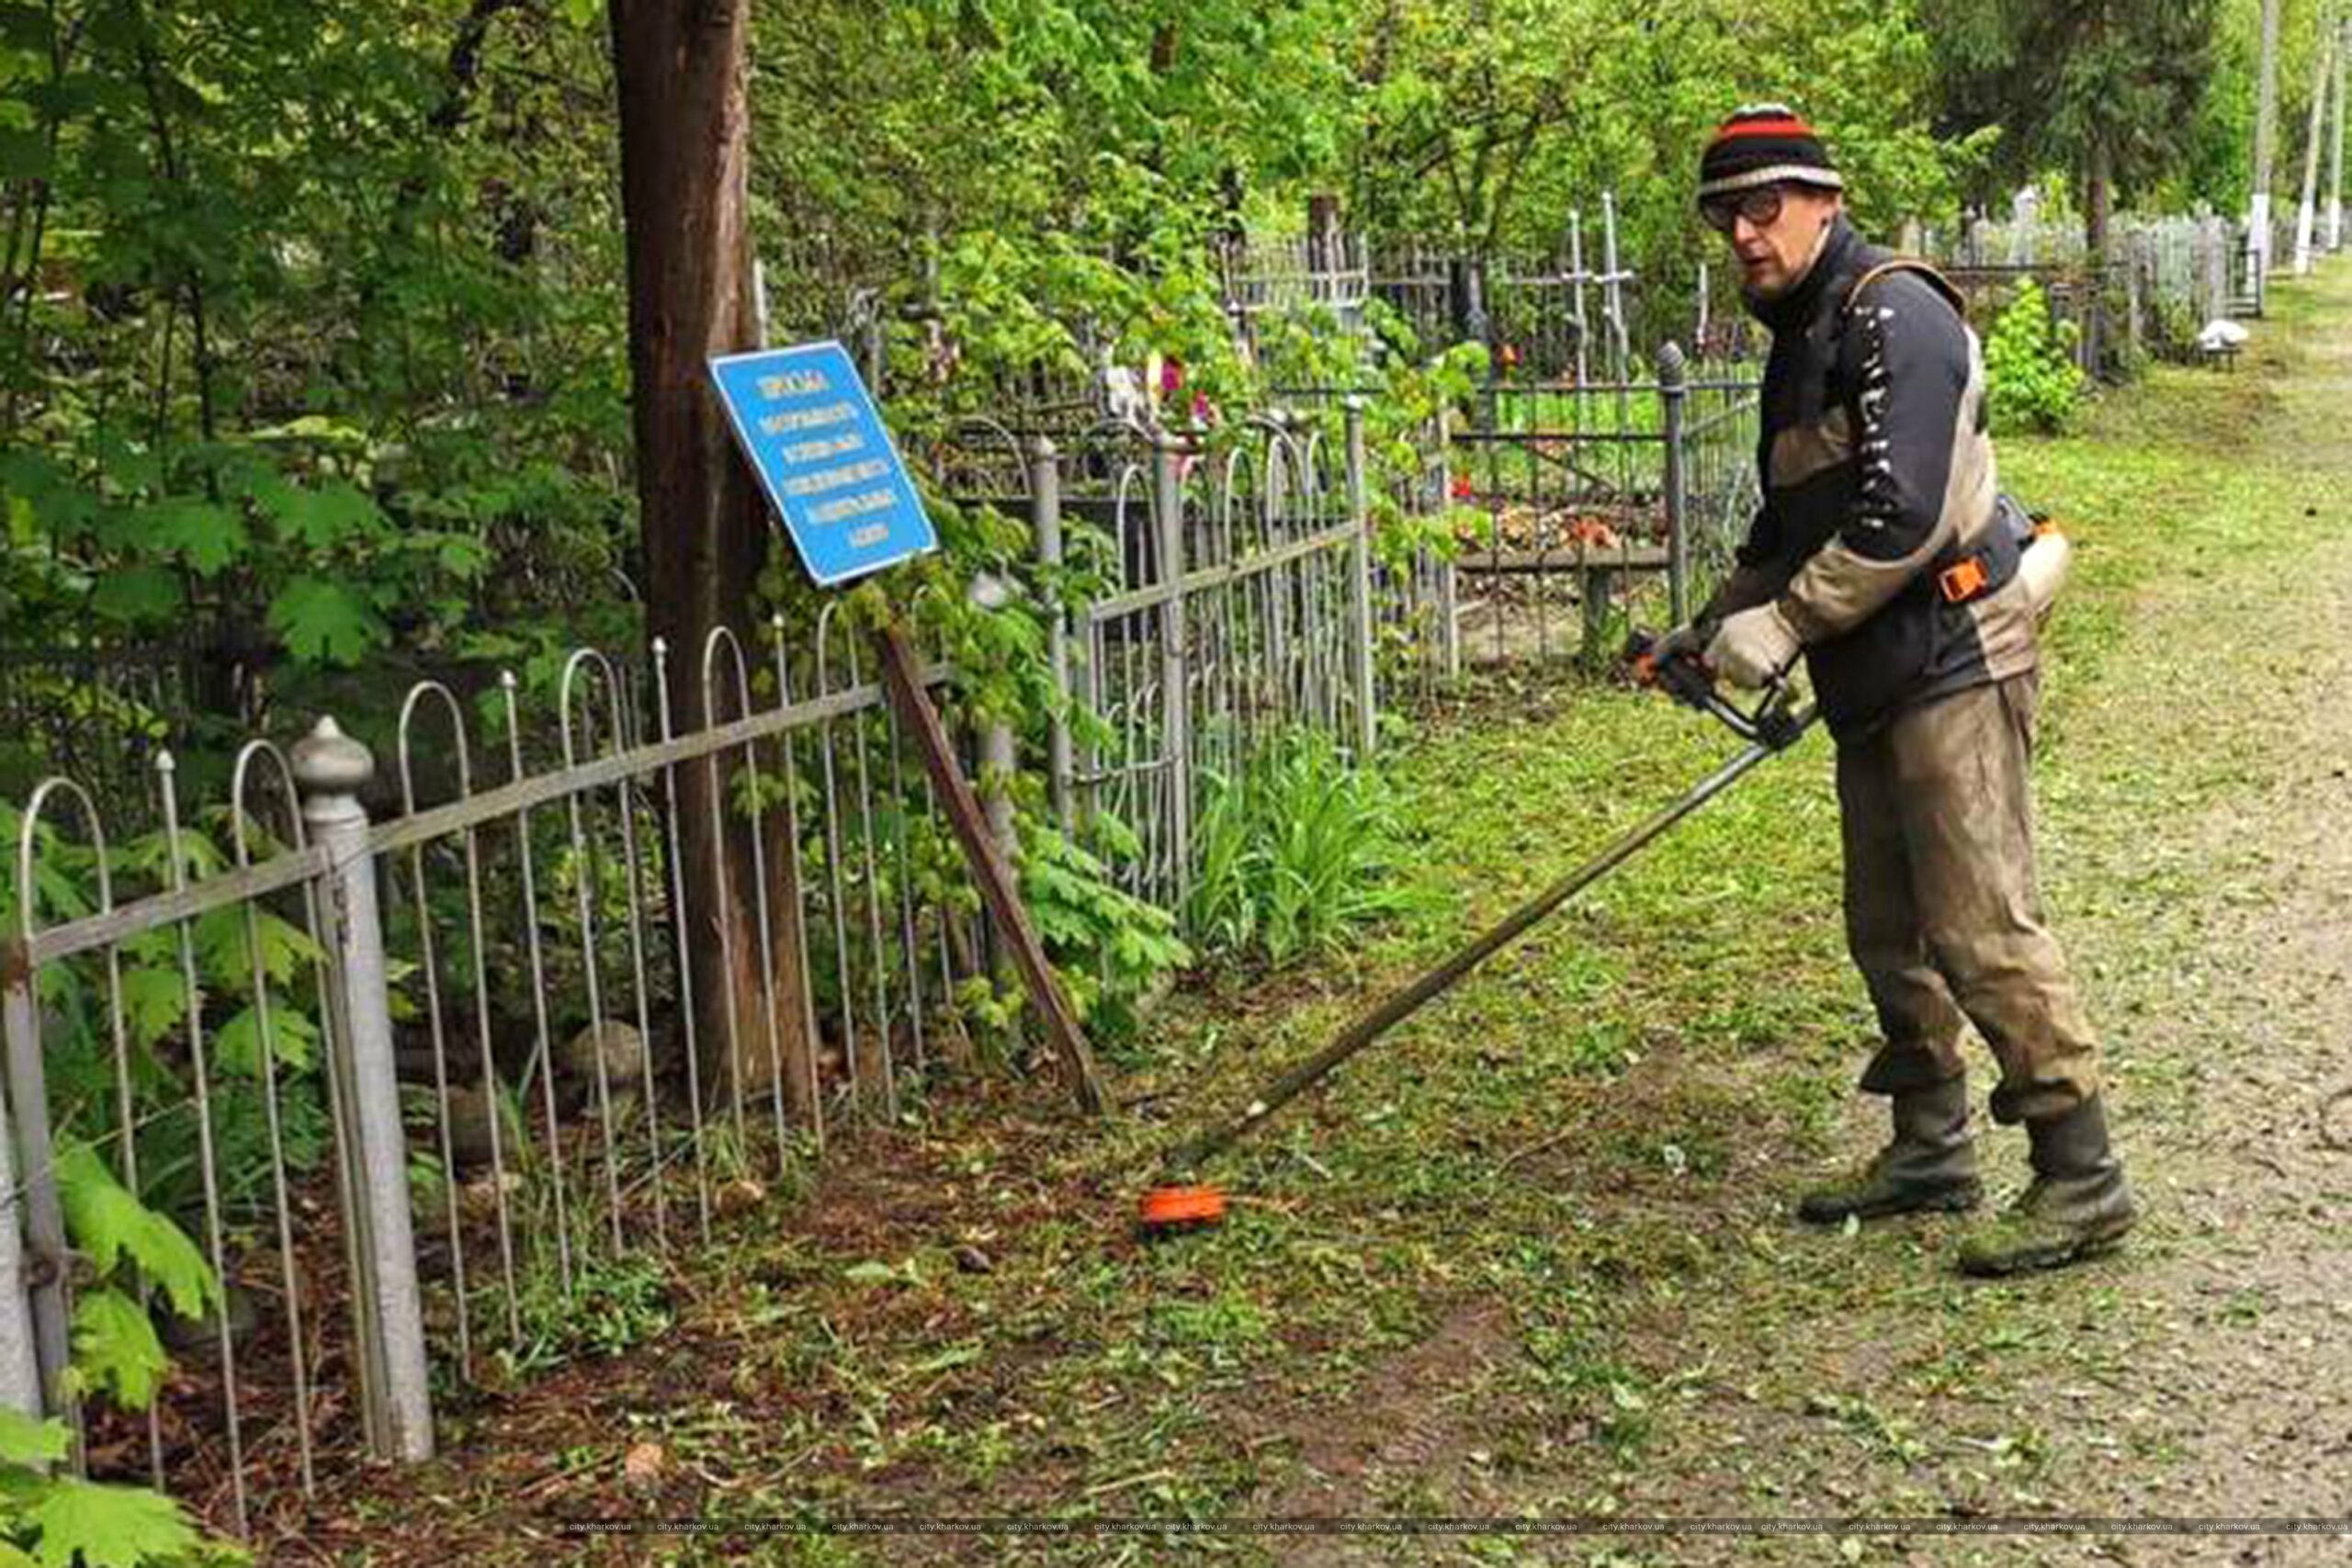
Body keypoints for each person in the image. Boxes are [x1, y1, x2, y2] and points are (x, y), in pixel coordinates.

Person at [1663, 104, 2135, 1276]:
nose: (1743, 234)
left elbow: (1903, 518)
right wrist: (1709, 628)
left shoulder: (1895, 314)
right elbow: (1792, 525)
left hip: (1954, 653)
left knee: (1979, 922)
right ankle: (1930, 1148)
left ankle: (2083, 1176)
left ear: (1824, 199)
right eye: (1726, 215)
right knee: (1885, 928)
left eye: (1763, 206)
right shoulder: (1801, 337)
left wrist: (1780, 624)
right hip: (1870, 670)